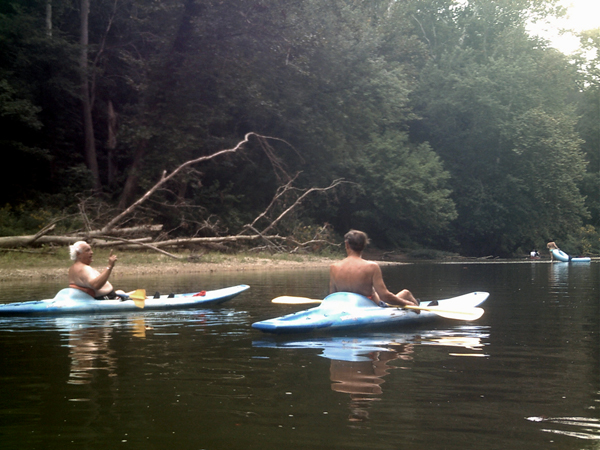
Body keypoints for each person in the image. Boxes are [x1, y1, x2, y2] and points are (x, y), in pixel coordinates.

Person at [329, 230, 420, 308]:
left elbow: (332, 296)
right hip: (371, 307)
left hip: (346, 307)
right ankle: (419, 310)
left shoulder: (334, 267)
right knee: (406, 293)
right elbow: (385, 296)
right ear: (364, 245)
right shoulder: (371, 267)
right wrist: (407, 303)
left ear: (346, 244)